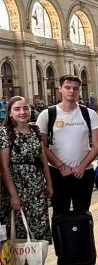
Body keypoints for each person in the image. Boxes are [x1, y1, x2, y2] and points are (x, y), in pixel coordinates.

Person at [37, 75, 98, 215]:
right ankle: (61, 238)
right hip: (57, 173)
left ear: (79, 91)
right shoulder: (47, 114)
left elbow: (97, 145)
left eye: (75, 88)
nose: (71, 91)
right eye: (67, 87)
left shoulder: (89, 114)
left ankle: (83, 238)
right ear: (60, 89)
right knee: (59, 213)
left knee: (83, 213)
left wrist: (82, 166)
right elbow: (41, 145)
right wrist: (60, 166)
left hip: (84, 173)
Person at [0, 96, 53, 243]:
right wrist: (13, 195)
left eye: (25, 108)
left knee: (40, 229)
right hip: (17, 188)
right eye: (17, 109)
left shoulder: (35, 130)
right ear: (10, 113)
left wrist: (49, 184)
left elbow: (43, 159)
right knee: (20, 232)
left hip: (36, 189)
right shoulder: (5, 133)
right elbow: (4, 167)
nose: (22, 112)